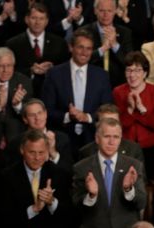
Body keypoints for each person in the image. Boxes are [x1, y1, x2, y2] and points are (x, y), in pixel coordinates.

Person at [72, 118, 147, 228]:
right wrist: (91, 196)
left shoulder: (133, 166)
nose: (112, 142)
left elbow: (141, 202)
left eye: (116, 137)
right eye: (107, 137)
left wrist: (128, 189)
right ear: (97, 139)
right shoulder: (82, 167)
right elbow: (75, 207)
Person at [0, 130, 72, 228]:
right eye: (32, 152)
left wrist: (52, 202)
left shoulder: (60, 174)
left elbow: (70, 216)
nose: (37, 157)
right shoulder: (6, 177)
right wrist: (34, 209)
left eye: (41, 152)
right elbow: (3, 218)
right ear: (22, 150)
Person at [42, 28, 113, 156]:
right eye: (80, 47)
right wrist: (68, 116)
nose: (84, 52)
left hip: (93, 138)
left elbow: (107, 109)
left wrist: (87, 117)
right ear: (71, 47)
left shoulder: (102, 76)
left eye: (89, 48)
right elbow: (47, 109)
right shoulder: (54, 74)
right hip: (62, 139)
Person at [113, 52, 154, 179]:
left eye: (137, 70)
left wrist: (142, 109)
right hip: (126, 147)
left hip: (151, 147)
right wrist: (130, 109)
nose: (132, 75)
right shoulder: (118, 92)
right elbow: (118, 126)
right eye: (129, 70)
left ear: (145, 73)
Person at [5, 2, 69, 98]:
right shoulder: (12, 44)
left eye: (41, 18)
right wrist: (30, 71)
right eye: (34, 18)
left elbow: (66, 70)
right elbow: (9, 72)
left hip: (52, 95)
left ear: (47, 21)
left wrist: (53, 68)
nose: (37, 22)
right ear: (27, 19)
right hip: (23, 95)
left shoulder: (59, 43)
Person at [83, 0, 134, 87]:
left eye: (109, 11)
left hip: (118, 85)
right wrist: (103, 49)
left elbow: (130, 63)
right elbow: (81, 58)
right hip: (91, 84)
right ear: (95, 11)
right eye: (102, 10)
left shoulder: (125, 33)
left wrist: (114, 45)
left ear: (115, 11)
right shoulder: (84, 32)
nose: (105, 15)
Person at [78, 104, 146, 165]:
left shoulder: (133, 150)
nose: (110, 126)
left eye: (114, 122)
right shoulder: (86, 152)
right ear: (97, 125)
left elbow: (141, 177)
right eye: (106, 122)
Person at [0, 47, 33, 132]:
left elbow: (30, 112)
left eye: (9, 65)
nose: (5, 70)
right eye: (1, 66)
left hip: (16, 131)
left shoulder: (24, 81)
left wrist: (17, 105)